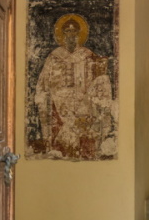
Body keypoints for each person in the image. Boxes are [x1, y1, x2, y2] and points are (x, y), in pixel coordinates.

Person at [34, 14, 115, 159]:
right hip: (60, 101)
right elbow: (43, 82)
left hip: (83, 100)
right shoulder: (54, 56)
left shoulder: (87, 55)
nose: (71, 34)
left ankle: (86, 152)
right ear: (63, 34)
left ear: (79, 34)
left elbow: (98, 77)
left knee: (86, 117)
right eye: (68, 31)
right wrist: (45, 95)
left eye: (74, 31)